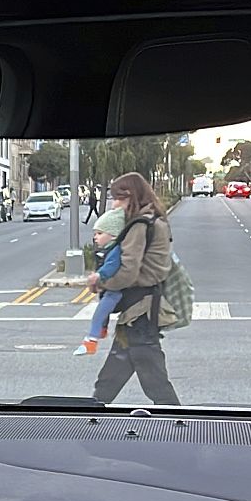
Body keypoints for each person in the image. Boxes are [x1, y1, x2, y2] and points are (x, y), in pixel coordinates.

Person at [88, 172, 180, 405]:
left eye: (117, 198)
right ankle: (95, 408)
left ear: (130, 197)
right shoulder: (155, 220)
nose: (114, 204)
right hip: (140, 309)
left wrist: (101, 283)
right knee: (115, 368)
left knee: (153, 377)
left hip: (140, 310)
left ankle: (178, 422)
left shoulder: (140, 224)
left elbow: (128, 270)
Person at [74, 208, 127, 356]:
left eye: (100, 233)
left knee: (100, 311)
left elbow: (111, 266)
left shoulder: (115, 250)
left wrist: (98, 276)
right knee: (103, 308)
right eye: (95, 234)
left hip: (115, 291)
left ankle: (91, 340)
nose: (95, 237)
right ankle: (101, 330)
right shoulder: (109, 249)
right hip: (110, 289)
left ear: (113, 235)